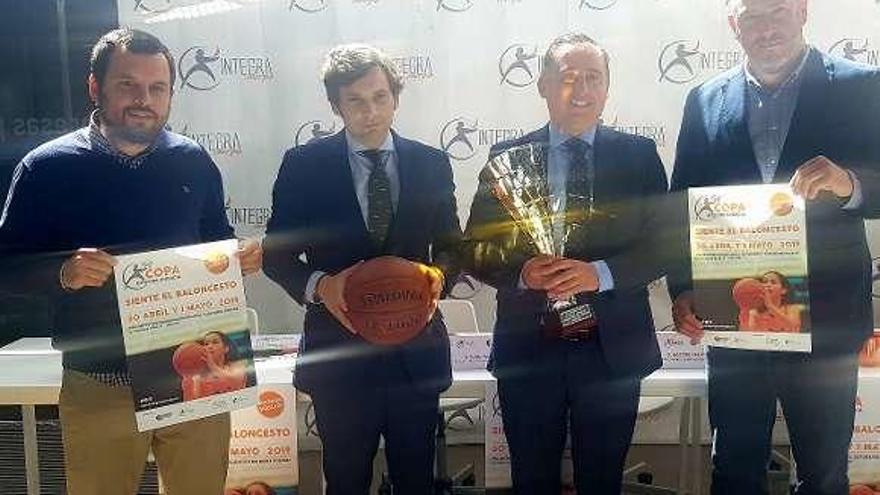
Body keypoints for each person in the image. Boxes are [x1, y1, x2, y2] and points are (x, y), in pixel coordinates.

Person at [0, 28, 262, 495]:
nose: (145, 99)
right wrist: (62, 273)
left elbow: (216, 241)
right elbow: (6, 267)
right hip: (101, 383)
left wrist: (236, 257)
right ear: (95, 87)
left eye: (157, 88)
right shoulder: (46, 168)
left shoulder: (193, 161)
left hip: (196, 382)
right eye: (128, 85)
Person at [669, 0, 880, 493]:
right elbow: (681, 207)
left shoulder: (863, 86)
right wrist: (684, 289)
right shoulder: (704, 99)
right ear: (732, 25)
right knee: (735, 471)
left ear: (804, 11)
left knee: (824, 474)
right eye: (753, 16)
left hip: (825, 324)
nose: (767, 28)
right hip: (735, 317)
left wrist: (849, 183)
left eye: (778, 11)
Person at [463, 32, 669, 494]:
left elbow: (664, 246)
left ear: (608, 87)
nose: (580, 90)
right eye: (566, 78)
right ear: (542, 86)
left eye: (592, 78)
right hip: (530, 349)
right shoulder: (507, 157)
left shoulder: (638, 156)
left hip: (610, 349)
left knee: (602, 480)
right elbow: (475, 248)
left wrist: (599, 274)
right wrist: (520, 273)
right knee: (532, 479)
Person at [262, 44, 461, 494]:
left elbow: (453, 247)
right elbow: (276, 255)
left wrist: (438, 277)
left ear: (395, 97)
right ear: (336, 105)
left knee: (416, 480)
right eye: (355, 100)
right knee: (347, 479)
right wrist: (321, 285)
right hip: (340, 355)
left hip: (415, 351)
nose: (370, 111)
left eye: (380, 97)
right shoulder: (304, 166)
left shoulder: (431, 163)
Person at [180, 331, 249, 400]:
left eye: (215, 342)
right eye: (206, 344)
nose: (209, 346)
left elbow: (234, 383)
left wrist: (212, 365)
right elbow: (189, 403)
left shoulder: (237, 366)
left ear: (226, 349)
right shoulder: (196, 377)